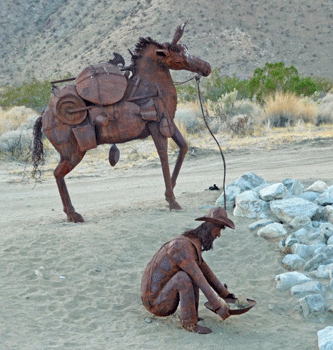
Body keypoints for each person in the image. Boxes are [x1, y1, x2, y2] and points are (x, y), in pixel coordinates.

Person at [141, 206, 236, 334]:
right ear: (209, 227)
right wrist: (218, 306)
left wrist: (226, 295)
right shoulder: (182, 247)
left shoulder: (191, 244)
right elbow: (200, 279)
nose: (218, 235)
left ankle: (193, 316)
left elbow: (206, 271)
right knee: (183, 278)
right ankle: (189, 324)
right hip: (156, 304)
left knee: (190, 274)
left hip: (160, 297)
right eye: (218, 229)